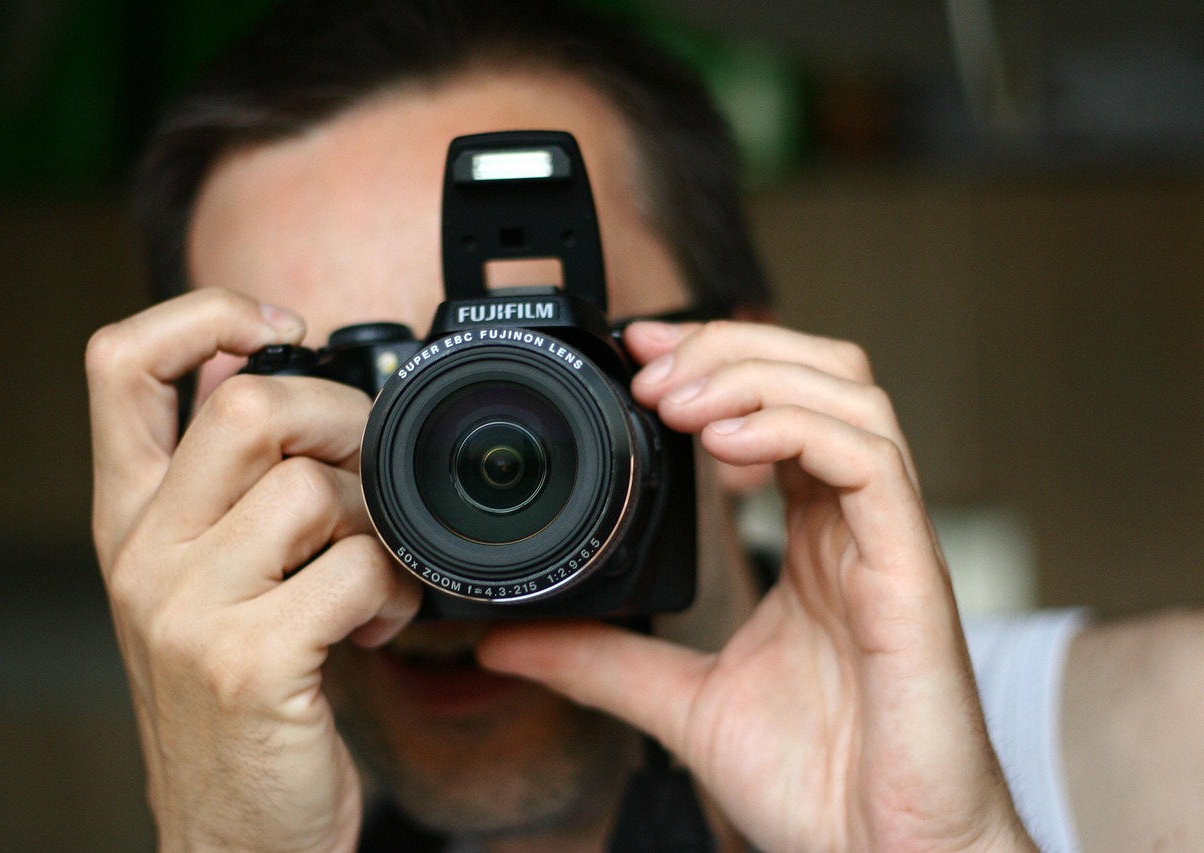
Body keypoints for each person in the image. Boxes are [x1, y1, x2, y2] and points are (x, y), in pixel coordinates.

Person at [85, 0, 1189, 850]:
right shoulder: (255, 812)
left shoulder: (1164, 747)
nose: (437, 483)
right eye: (350, 395)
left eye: (529, 378)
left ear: (742, 393)